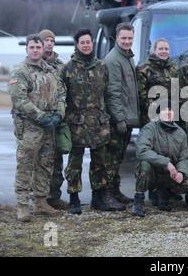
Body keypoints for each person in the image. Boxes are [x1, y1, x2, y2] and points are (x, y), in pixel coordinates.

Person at [62, 28, 125, 214]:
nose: (86, 45)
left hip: (99, 124)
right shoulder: (68, 69)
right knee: (75, 164)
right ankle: (74, 198)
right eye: (82, 42)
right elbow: (62, 97)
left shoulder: (101, 66)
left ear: (92, 44)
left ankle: (99, 198)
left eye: (88, 42)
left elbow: (108, 93)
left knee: (100, 163)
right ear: (77, 45)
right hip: (77, 125)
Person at [8, 34, 66, 222]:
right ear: (27, 49)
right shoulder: (20, 71)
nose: (35, 50)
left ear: (43, 49)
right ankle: (23, 205)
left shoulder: (50, 71)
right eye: (31, 47)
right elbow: (19, 100)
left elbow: (61, 94)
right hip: (29, 127)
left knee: (45, 165)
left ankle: (41, 202)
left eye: (38, 47)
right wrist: (41, 117)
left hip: (50, 125)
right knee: (25, 165)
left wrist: (59, 114)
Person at [132, 99, 188, 217]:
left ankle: (164, 193)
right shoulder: (150, 128)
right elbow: (142, 151)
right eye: (164, 110)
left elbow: (184, 158)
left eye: (171, 110)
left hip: (170, 175)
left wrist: (181, 172)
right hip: (153, 174)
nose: (168, 112)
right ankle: (138, 201)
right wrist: (166, 163)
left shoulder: (180, 133)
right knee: (144, 165)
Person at [104, 22, 140, 205]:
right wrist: (119, 119)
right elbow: (113, 93)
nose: (127, 41)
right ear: (117, 38)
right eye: (123, 38)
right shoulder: (114, 60)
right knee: (111, 159)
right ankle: (107, 195)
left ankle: (115, 191)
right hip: (119, 119)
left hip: (128, 118)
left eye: (130, 38)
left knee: (118, 158)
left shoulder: (127, 57)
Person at [38, 29, 68, 210]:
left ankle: (54, 196)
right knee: (39, 161)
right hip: (38, 121)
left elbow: (64, 92)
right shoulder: (33, 64)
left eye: (52, 40)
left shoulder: (61, 66)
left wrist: (60, 114)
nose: (49, 43)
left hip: (57, 120)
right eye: (46, 40)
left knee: (57, 160)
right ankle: (39, 199)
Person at [136, 38, 179, 126]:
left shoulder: (173, 68)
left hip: (170, 114)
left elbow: (177, 90)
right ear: (154, 50)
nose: (164, 51)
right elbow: (141, 94)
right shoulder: (144, 68)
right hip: (151, 116)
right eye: (161, 49)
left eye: (166, 49)